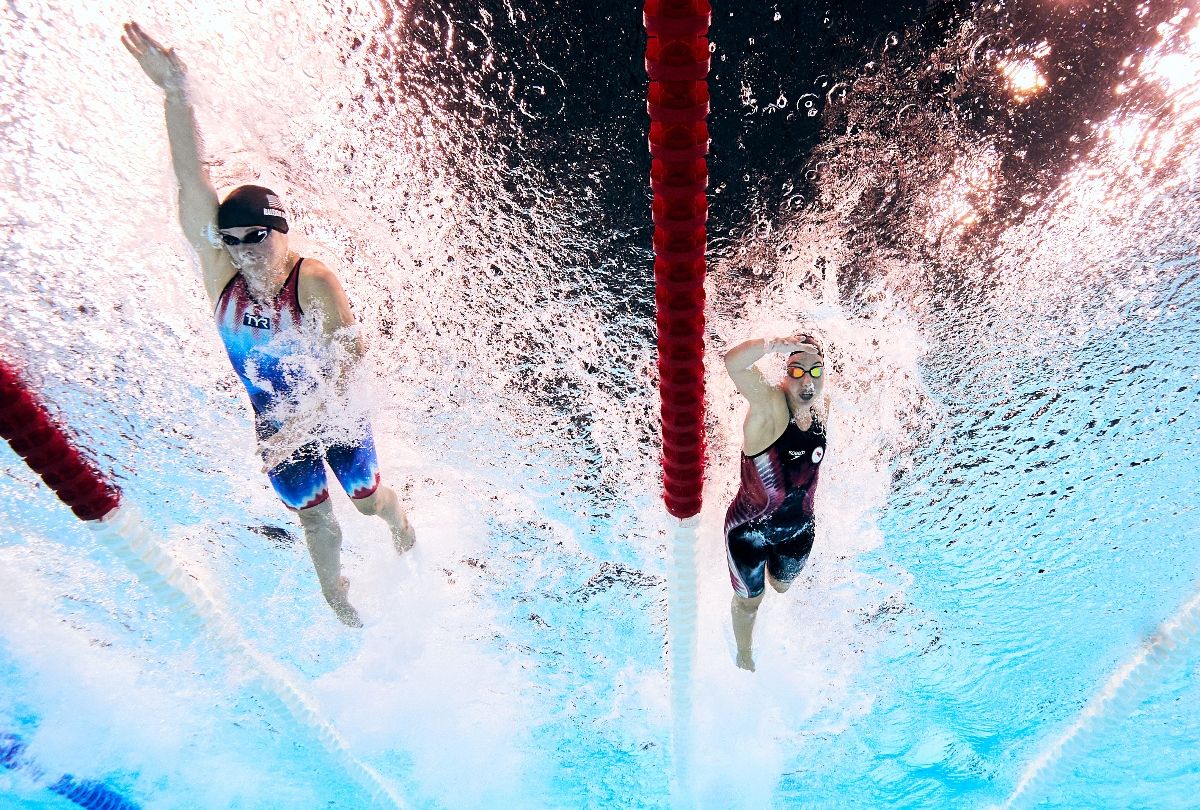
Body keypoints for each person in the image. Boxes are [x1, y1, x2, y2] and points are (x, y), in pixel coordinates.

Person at [122, 22, 414, 627]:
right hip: (275, 421)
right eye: (231, 240)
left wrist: (298, 428)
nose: (243, 249)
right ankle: (339, 598)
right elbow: (191, 183)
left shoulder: (312, 281)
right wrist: (175, 93)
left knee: (362, 504)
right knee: (313, 515)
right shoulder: (221, 278)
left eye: (255, 236)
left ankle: (400, 521)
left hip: (334, 409)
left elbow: (346, 370)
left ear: (280, 231)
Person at [723, 334, 829, 671]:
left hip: (799, 530)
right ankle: (743, 656)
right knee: (751, 602)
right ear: (784, 373)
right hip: (748, 534)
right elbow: (733, 363)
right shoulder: (769, 407)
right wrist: (780, 344)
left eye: (815, 371)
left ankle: (768, 578)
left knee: (781, 588)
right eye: (796, 371)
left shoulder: (822, 408)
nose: (806, 380)